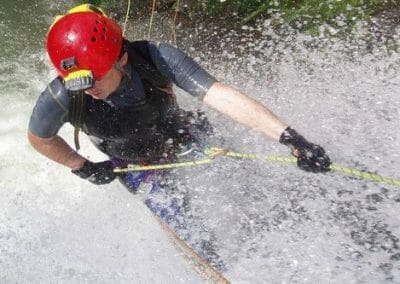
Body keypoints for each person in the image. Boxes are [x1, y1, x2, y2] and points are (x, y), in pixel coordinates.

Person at [28, 4, 331, 188]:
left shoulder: (157, 57)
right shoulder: (63, 94)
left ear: (120, 58)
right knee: (187, 223)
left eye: (95, 77)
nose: (88, 89)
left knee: (243, 176)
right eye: (78, 82)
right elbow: (39, 137)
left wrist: (290, 138)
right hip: (135, 163)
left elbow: (221, 96)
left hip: (182, 132)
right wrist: (80, 166)